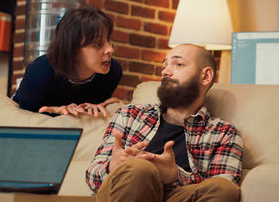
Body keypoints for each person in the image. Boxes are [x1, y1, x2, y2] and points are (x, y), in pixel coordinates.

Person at [86, 44, 243, 202]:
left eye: (178, 64)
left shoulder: (224, 133)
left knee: (224, 188)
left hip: (178, 196)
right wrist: (112, 167)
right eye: (164, 65)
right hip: (125, 192)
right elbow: (92, 176)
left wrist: (175, 175)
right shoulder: (129, 114)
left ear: (205, 76)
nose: (165, 71)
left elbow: (224, 186)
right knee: (140, 169)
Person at [13, 6, 122, 118]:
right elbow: (24, 116)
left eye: (108, 40)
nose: (110, 49)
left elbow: (100, 103)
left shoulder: (113, 72)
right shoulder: (40, 72)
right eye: (98, 44)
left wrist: (102, 105)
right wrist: (52, 113)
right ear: (73, 50)